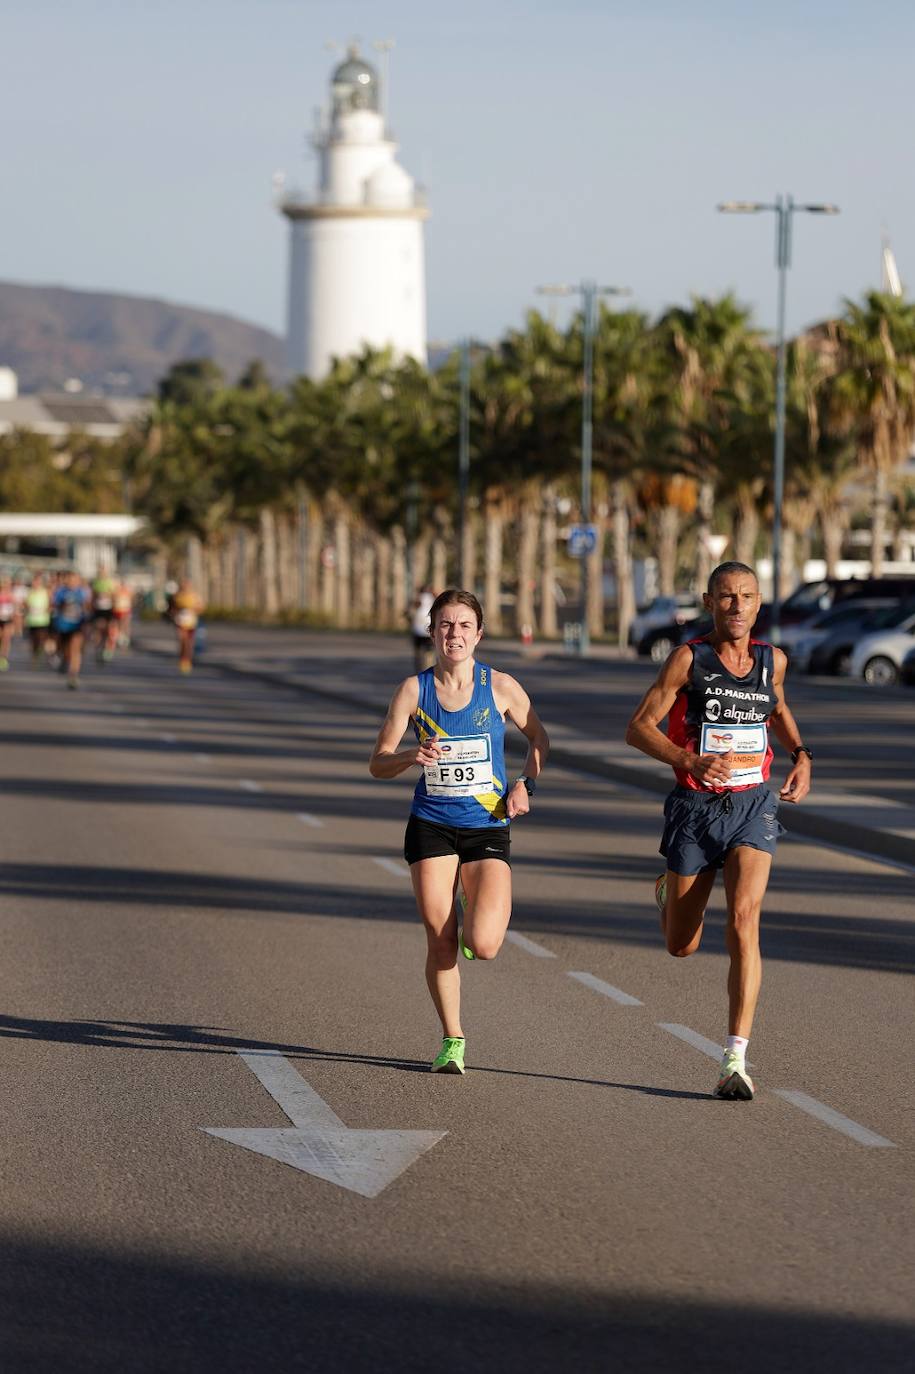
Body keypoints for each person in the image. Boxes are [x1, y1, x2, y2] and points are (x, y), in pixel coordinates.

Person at [625, 561, 812, 1101]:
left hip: (754, 806)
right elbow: (637, 728)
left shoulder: (772, 660)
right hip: (695, 808)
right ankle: (668, 891)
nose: (736, 606)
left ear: (759, 604)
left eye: (746, 597)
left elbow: (775, 707)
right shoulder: (689, 659)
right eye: (726, 597)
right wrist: (689, 758)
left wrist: (801, 753)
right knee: (681, 945)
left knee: (745, 919)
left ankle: (736, 1058)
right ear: (710, 602)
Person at [370, 588, 549, 1075]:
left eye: (464, 626)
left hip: (486, 824)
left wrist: (525, 784)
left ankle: (474, 906)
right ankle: (453, 1039)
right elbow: (377, 763)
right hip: (431, 825)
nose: (455, 634)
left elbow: (539, 738)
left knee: (484, 945)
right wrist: (410, 756)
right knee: (441, 939)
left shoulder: (501, 687)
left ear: (479, 634)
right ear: (431, 632)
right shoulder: (413, 690)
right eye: (445, 625)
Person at [51, 570, 90, 688]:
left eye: (75, 580)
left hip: (77, 625)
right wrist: (62, 605)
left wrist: (87, 622)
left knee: (75, 650)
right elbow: (54, 606)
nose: (73, 582)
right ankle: (63, 660)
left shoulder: (82, 593)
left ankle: (73, 675)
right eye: (70, 579)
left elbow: (86, 608)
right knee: (64, 650)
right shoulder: (60, 592)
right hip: (63, 625)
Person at [171, 578, 204, 673]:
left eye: (187, 585)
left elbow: (201, 608)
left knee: (189, 642)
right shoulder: (177, 596)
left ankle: (188, 659)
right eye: (184, 585)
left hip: (191, 623)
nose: (185, 587)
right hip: (180, 622)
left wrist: (193, 610)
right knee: (182, 640)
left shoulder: (195, 596)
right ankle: (182, 659)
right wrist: (176, 612)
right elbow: (172, 608)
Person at [24, 572, 51, 665]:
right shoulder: (30, 592)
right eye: (34, 581)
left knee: (41, 638)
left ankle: (40, 650)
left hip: (42, 620)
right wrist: (29, 609)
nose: (35, 583)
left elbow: (51, 604)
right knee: (33, 640)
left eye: (38, 581)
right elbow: (25, 604)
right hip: (32, 620)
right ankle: (35, 655)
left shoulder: (45, 592)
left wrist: (46, 610)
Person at [409, 585, 436, 673]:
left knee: (419, 654)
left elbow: (410, 612)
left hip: (418, 631)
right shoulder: (433, 599)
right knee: (429, 654)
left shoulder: (418, 599)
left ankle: (420, 672)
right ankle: (428, 672)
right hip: (427, 631)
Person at [0, 577, 16, 670]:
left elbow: (15, 609)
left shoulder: (11, 595)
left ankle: (4, 658)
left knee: (6, 639)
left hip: (8, 620)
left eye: (8, 583)